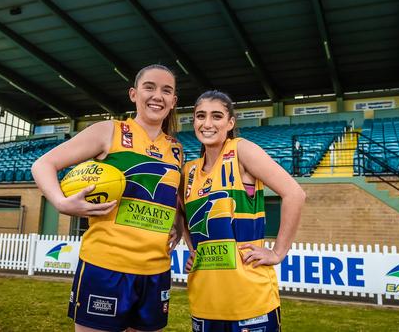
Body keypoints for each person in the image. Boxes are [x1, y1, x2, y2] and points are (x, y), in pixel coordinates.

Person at [32, 64, 184, 332]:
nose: (157, 95)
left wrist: (179, 226)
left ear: (173, 101)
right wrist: (61, 202)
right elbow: (43, 164)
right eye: (149, 87)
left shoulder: (176, 149)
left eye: (166, 90)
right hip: (106, 267)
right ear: (134, 94)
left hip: (156, 271)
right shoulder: (109, 131)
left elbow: (173, 197)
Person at [182, 90, 305, 332]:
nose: (207, 124)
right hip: (204, 300)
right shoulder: (189, 170)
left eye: (216, 116)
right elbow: (181, 214)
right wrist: (193, 247)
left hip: (251, 301)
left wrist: (278, 253)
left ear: (230, 122)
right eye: (200, 116)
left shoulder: (241, 150)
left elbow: (295, 194)